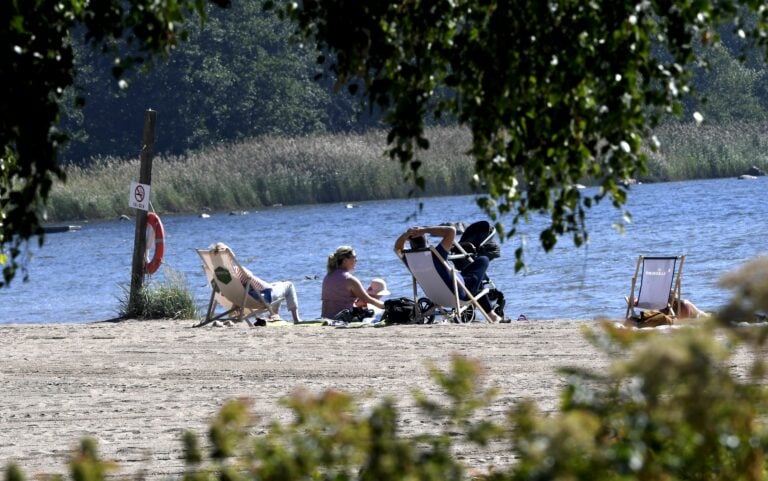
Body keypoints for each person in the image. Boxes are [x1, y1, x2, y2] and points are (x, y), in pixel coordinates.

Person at [393, 225, 504, 323]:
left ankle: (492, 316)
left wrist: (406, 235)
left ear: (410, 244)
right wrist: (425, 230)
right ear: (427, 241)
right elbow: (451, 230)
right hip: (459, 294)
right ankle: (492, 316)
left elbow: (397, 247)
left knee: (474, 280)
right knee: (483, 260)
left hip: (436, 297)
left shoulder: (410, 260)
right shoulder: (435, 254)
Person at [213, 243, 303, 324]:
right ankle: (296, 319)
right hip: (263, 298)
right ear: (228, 256)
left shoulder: (218, 275)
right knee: (288, 285)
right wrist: (229, 253)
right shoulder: (237, 270)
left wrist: (235, 305)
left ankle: (274, 315)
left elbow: (235, 292)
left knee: (277, 284)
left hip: (245, 300)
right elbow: (251, 280)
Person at [321, 246, 386, 319]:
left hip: (325, 317)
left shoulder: (328, 276)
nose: (356, 260)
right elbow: (368, 299)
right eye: (354, 257)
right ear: (345, 260)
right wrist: (387, 306)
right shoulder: (349, 279)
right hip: (340, 319)